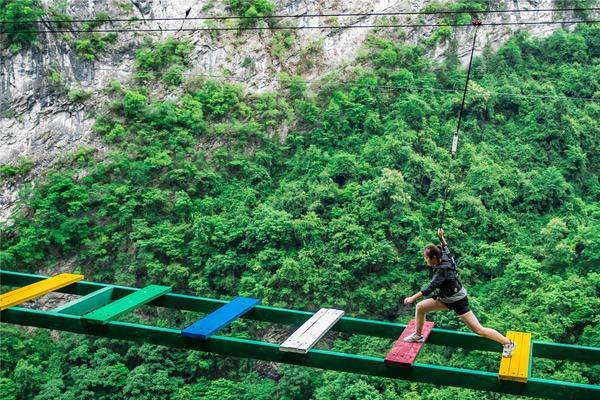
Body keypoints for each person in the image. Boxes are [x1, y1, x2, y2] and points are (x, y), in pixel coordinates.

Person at [403, 228, 516, 358]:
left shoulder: (442, 270)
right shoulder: (444, 256)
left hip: (457, 301)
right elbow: (446, 247)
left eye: (426, 258)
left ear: (434, 258)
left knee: (478, 330)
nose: (425, 260)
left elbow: (429, 288)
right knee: (421, 307)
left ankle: (508, 343)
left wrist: (412, 298)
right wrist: (441, 237)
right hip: (445, 299)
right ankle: (418, 335)